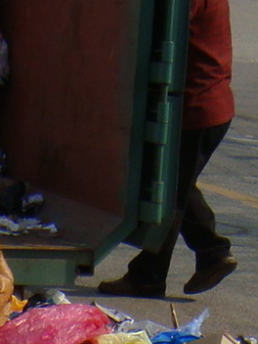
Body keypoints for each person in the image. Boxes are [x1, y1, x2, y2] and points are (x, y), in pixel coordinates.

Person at [97, 0, 236, 298]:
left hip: (197, 108)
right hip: (206, 104)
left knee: (169, 194)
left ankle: (148, 275)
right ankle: (212, 252)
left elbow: (164, 30)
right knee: (175, 186)